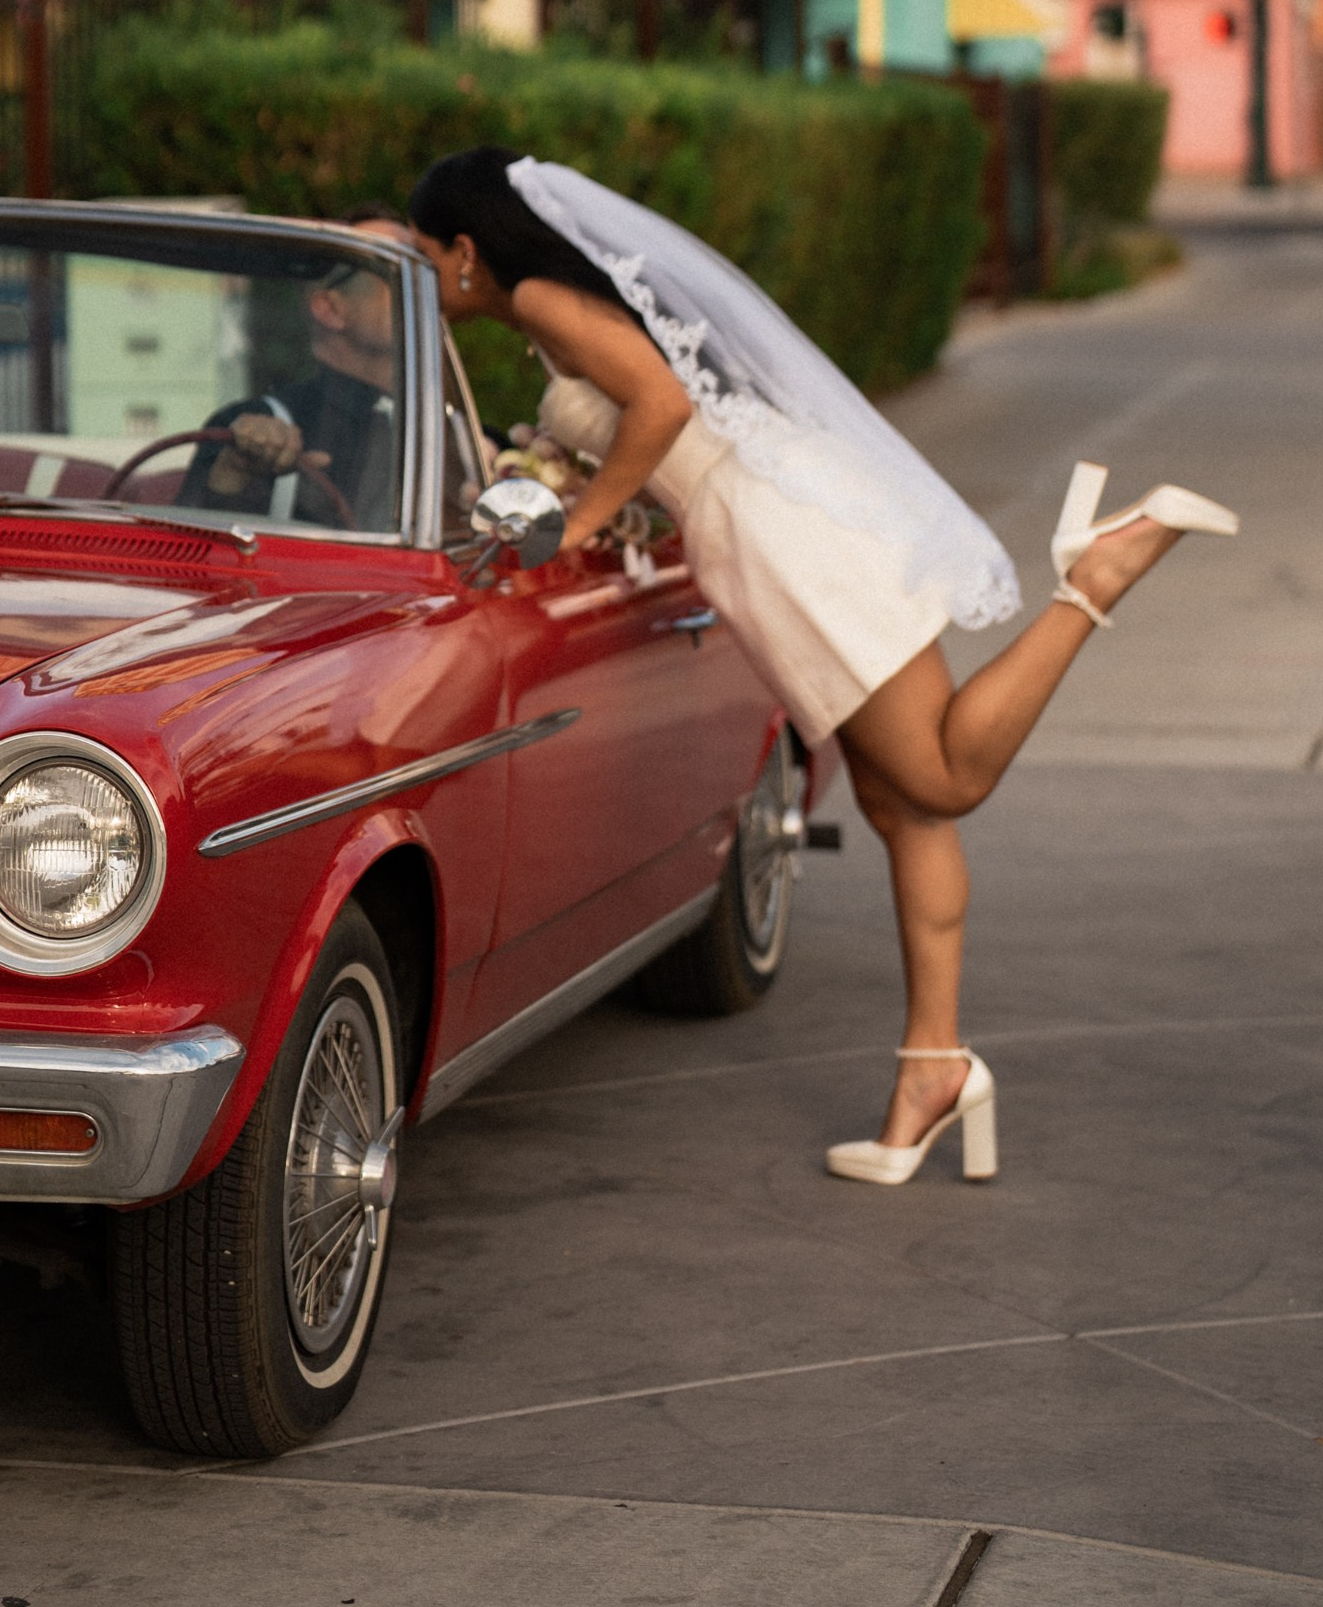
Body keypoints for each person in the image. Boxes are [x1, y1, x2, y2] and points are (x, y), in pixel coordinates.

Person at [407, 146, 1236, 1187]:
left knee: (943, 778)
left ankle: (1097, 575)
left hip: (773, 535)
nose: (434, 283)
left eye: (430, 260)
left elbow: (658, 406)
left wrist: (583, 513)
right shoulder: (559, 299)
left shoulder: (536, 297)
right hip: (756, 528)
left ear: (467, 252)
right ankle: (930, 1071)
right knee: (901, 808)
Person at [183, 250, 399, 528]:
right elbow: (189, 546)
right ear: (330, 309)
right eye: (385, 272)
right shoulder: (250, 423)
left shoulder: (452, 430)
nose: (412, 290)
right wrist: (234, 471)